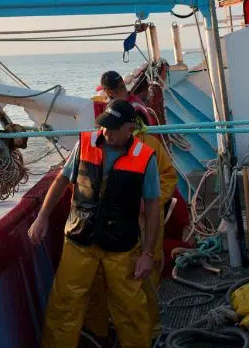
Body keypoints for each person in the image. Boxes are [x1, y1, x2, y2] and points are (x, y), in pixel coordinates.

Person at [29, 99, 159, 348]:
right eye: (104, 126)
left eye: (113, 128)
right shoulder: (85, 144)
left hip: (121, 245)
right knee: (64, 304)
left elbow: (152, 206)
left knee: (130, 308)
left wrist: (148, 254)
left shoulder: (145, 158)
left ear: (130, 128)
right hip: (79, 238)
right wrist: (42, 216)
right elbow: (61, 180)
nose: (106, 132)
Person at [83, 69, 179, 343]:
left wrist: (148, 202)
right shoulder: (100, 147)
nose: (108, 132)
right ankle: (111, 330)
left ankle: (151, 331)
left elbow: (168, 177)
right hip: (115, 228)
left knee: (147, 278)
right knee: (116, 281)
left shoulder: (149, 146)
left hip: (145, 222)